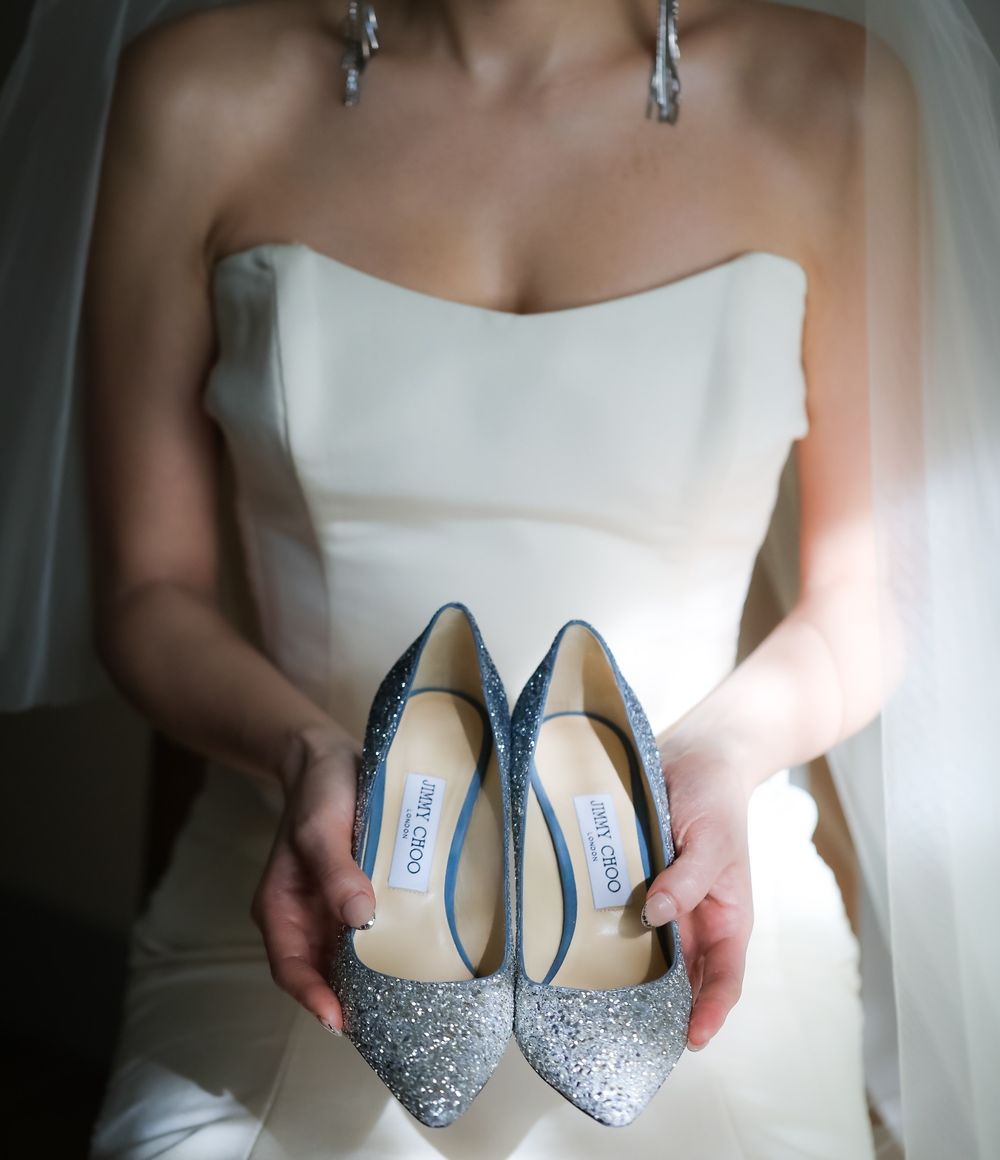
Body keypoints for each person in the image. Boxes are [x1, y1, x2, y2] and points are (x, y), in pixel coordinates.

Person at [78, 0, 911, 1155]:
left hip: (679, 870)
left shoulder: (834, 97)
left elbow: (861, 600)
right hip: (311, 860)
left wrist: (721, 755)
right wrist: (304, 750)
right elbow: (149, 591)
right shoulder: (197, 93)